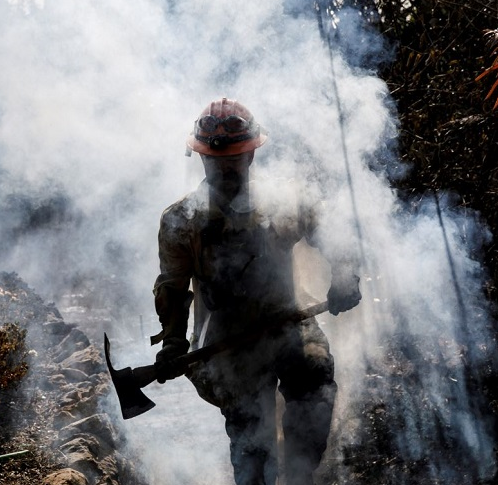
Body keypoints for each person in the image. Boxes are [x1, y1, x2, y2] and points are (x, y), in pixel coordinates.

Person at [150, 97, 361, 485]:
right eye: (215, 161)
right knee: (250, 446)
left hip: (288, 323)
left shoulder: (284, 203)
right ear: (199, 158)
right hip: (229, 343)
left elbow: (336, 235)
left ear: (251, 156)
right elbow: (173, 288)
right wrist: (174, 343)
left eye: (233, 158)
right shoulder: (182, 221)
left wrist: (346, 278)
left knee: (314, 379)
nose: (224, 168)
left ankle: (300, 474)